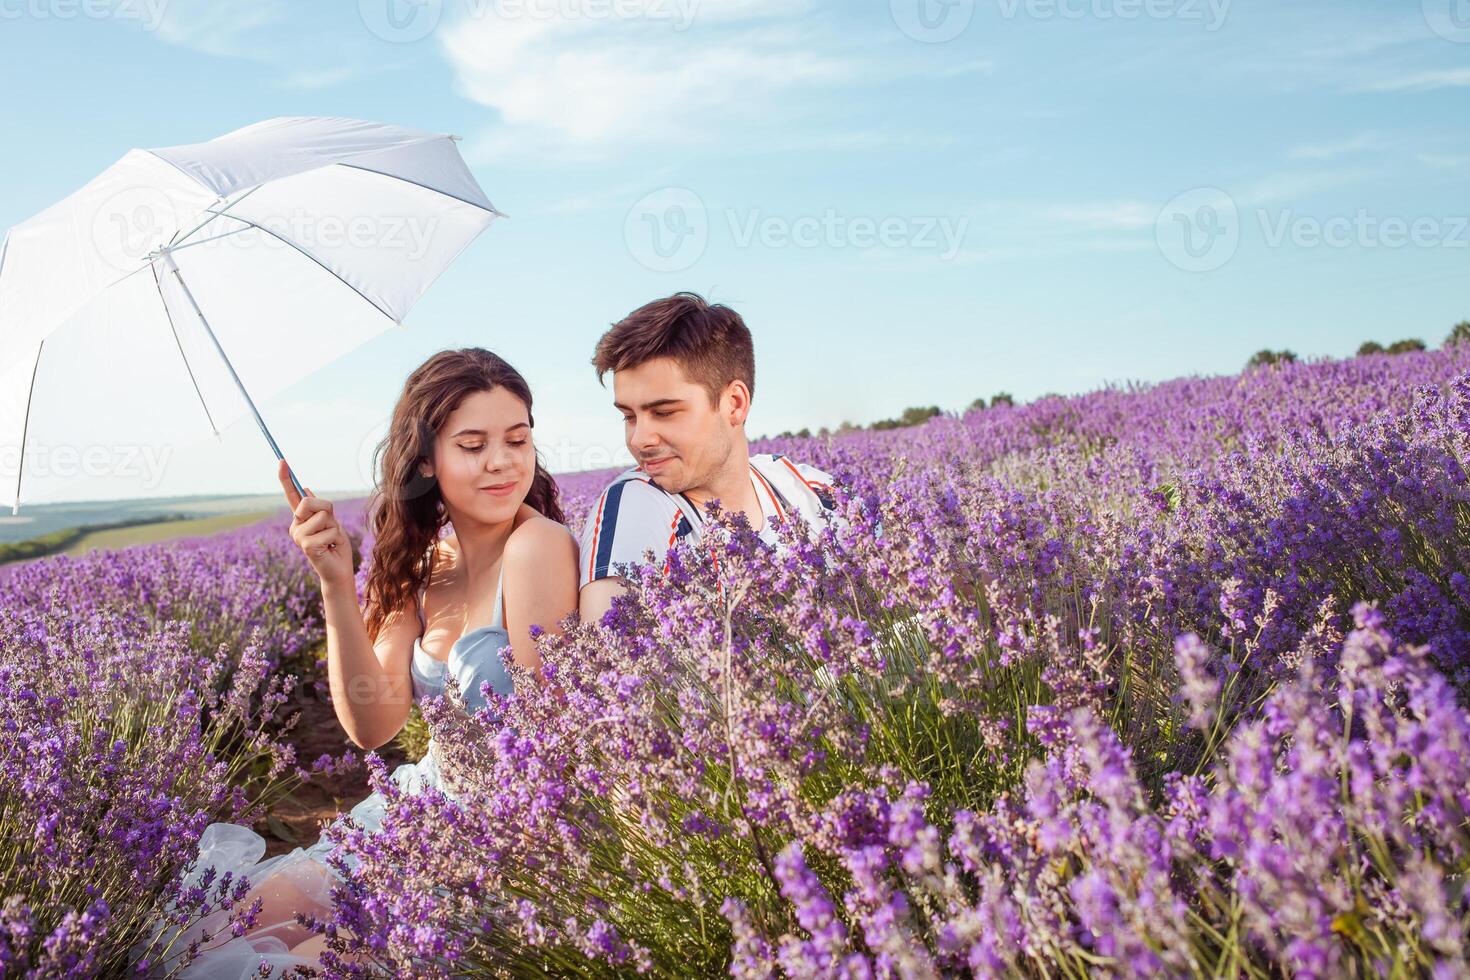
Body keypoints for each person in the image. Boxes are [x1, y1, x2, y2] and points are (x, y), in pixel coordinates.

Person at [138, 348, 579, 977]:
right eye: (473, 444)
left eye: (517, 439)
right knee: (217, 934)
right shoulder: (426, 565)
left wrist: (438, 864)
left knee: (302, 962)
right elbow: (373, 727)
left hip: (503, 841)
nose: (502, 461)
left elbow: (550, 753)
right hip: (423, 807)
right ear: (427, 460)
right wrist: (336, 584)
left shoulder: (537, 546)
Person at [578, 292, 841, 623]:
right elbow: (611, 662)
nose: (640, 439)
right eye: (629, 416)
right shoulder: (638, 504)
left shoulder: (801, 487)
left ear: (734, 403)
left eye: (664, 412)